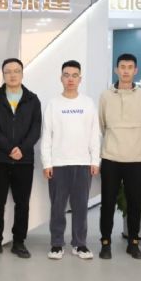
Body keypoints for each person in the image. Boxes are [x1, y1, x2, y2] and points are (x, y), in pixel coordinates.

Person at [41, 60, 100, 260]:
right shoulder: (53, 104)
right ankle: (57, 244)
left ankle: (79, 244)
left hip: (83, 164)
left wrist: (95, 160)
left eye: (75, 75)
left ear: (80, 79)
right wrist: (47, 163)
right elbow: (46, 135)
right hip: (58, 164)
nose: (70, 79)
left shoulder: (88, 103)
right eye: (67, 75)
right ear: (61, 78)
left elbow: (94, 134)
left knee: (80, 207)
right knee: (58, 208)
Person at [0, 58, 41, 259]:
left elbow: (36, 129)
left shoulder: (32, 99)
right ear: (3, 75)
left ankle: (19, 242)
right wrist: (9, 149)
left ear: (22, 74)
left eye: (16, 71)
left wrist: (22, 149)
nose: (12, 75)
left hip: (24, 161)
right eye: (8, 71)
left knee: (22, 204)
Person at [98, 53, 141, 260]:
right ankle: (105, 243)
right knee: (107, 203)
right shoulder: (105, 96)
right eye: (122, 67)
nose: (126, 70)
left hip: (135, 158)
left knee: (135, 203)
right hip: (110, 157)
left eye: (130, 67)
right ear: (116, 70)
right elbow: (102, 124)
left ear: (135, 70)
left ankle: (133, 243)